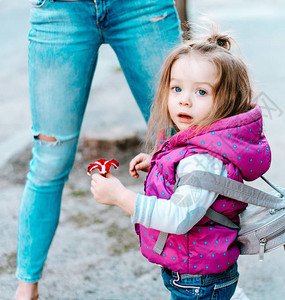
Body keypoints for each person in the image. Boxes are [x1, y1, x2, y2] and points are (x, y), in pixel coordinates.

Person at [90, 25, 271, 299]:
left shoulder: (203, 159)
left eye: (201, 93)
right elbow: (196, 179)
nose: (184, 101)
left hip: (199, 281)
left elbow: (178, 217)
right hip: (198, 271)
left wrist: (120, 196)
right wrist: (158, 164)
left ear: (227, 101)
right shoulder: (202, 146)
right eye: (177, 88)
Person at [16, 0, 181, 299]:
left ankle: (210, 276)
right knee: (50, 161)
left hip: (141, 7)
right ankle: (26, 288)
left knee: (182, 144)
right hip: (60, 11)